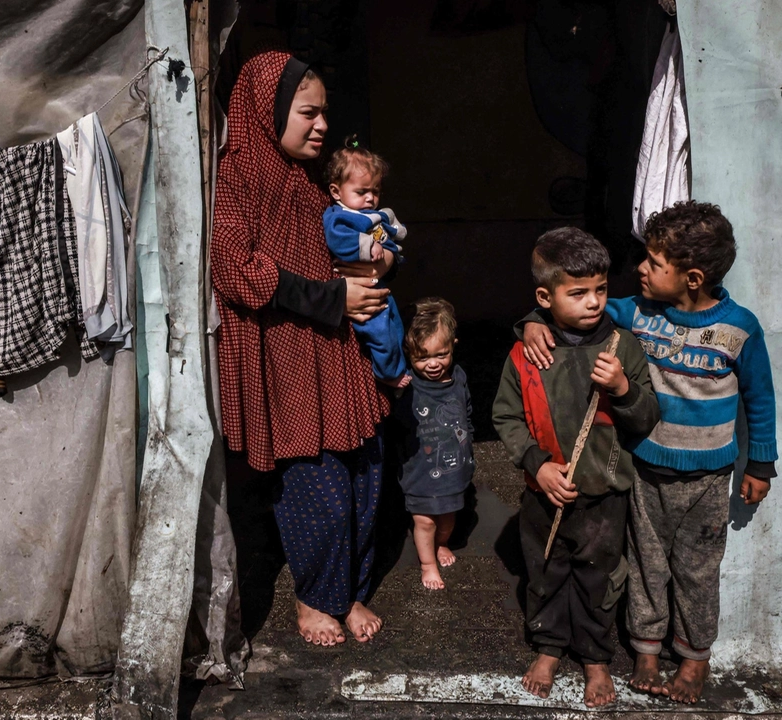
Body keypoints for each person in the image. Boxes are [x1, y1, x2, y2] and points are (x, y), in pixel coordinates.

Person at [519, 200, 779, 704]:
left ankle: (695, 658)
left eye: (654, 263)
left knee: (698, 570)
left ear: (693, 278)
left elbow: (760, 398)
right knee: (644, 564)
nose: (639, 268)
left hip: (708, 478)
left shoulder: (739, 329)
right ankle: (646, 650)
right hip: (645, 469)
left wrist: (761, 463)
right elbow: (572, 309)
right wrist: (531, 319)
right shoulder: (637, 313)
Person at [211, 51, 396, 647]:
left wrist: (381, 258)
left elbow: (357, 241)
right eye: (307, 113)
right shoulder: (236, 177)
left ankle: (355, 588)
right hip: (286, 356)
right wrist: (330, 298)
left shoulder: (306, 181)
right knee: (318, 485)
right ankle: (316, 597)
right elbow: (236, 270)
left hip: (337, 352)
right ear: (268, 110)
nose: (321, 126)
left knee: (367, 473)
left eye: (324, 115)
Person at [492, 227, 660, 707]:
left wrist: (624, 390)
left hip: (604, 495)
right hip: (543, 491)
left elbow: (647, 417)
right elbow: (504, 415)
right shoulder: (528, 351)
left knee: (599, 578)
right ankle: (547, 647)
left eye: (601, 289)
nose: (594, 302)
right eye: (578, 292)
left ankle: (594, 656)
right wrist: (537, 465)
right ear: (544, 297)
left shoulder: (623, 347)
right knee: (543, 569)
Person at [392, 298, 474, 590]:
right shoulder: (407, 386)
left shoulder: (459, 377)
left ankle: (442, 545)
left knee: (448, 518)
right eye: (422, 357)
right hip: (420, 472)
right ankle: (428, 564)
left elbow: (465, 412)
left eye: (442, 354)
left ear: (453, 344)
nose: (433, 364)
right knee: (425, 521)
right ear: (409, 355)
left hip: (453, 468)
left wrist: (468, 444)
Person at [322, 143, 409, 388]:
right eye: (362, 192)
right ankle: (387, 373)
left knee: (395, 325)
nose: (370, 198)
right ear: (336, 192)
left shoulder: (371, 213)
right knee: (380, 333)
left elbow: (392, 230)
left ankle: (396, 364)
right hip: (360, 292)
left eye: (376, 191)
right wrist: (368, 245)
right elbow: (338, 239)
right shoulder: (340, 216)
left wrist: (396, 240)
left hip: (377, 286)